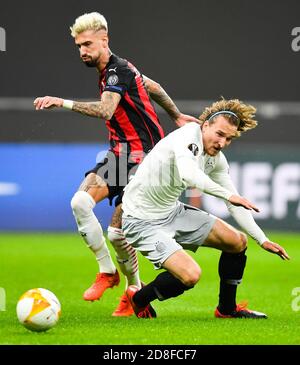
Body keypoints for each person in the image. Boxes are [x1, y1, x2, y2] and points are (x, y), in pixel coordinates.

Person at [33, 12, 198, 317]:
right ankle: (108, 272)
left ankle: (133, 289)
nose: (82, 50)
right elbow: (154, 86)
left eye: (87, 44)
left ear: (104, 40)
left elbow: (107, 110)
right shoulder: (120, 69)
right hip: (119, 156)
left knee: (117, 234)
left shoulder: (117, 71)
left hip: (146, 160)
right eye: (78, 46)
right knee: (80, 203)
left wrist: (63, 102)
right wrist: (175, 115)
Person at [122, 98, 290, 319]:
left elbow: (234, 203)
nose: (222, 142)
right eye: (219, 134)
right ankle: (139, 298)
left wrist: (262, 239)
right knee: (190, 275)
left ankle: (227, 310)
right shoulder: (187, 136)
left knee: (237, 242)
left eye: (229, 138)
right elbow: (189, 174)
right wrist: (229, 195)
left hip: (171, 212)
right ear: (205, 125)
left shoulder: (216, 160)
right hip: (141, 220)